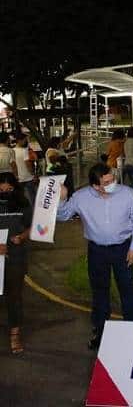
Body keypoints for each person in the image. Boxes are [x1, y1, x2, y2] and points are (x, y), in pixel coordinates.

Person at [57, 163, 133, 349]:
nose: (112, 183)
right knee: (99, 290)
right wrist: (62, 199)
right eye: (106, 182)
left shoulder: (127, 194)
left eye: (112, 179)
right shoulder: (81, 197)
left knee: (127, 287)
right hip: (97, 250)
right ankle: (101, 330)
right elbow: (64, 215)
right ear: (95, 186)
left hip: (123, 248)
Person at [0, 172, 33, 354]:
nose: (5, 192)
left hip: (16, 256)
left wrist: (22, 237)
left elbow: (31, 226)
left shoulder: (23, 203)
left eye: (9, 189)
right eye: (1, 190)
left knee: (14, 297)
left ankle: (15, 335)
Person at [12, 134, 37, 206]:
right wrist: (33, 174)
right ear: (19, 140)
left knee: (20, 197)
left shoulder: (12, 150)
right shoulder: (24, 150)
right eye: (25, 140)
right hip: (28, 177)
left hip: (18, 178)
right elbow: (28, 164)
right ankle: (33, 213)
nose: (26, 142)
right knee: (32, 198)